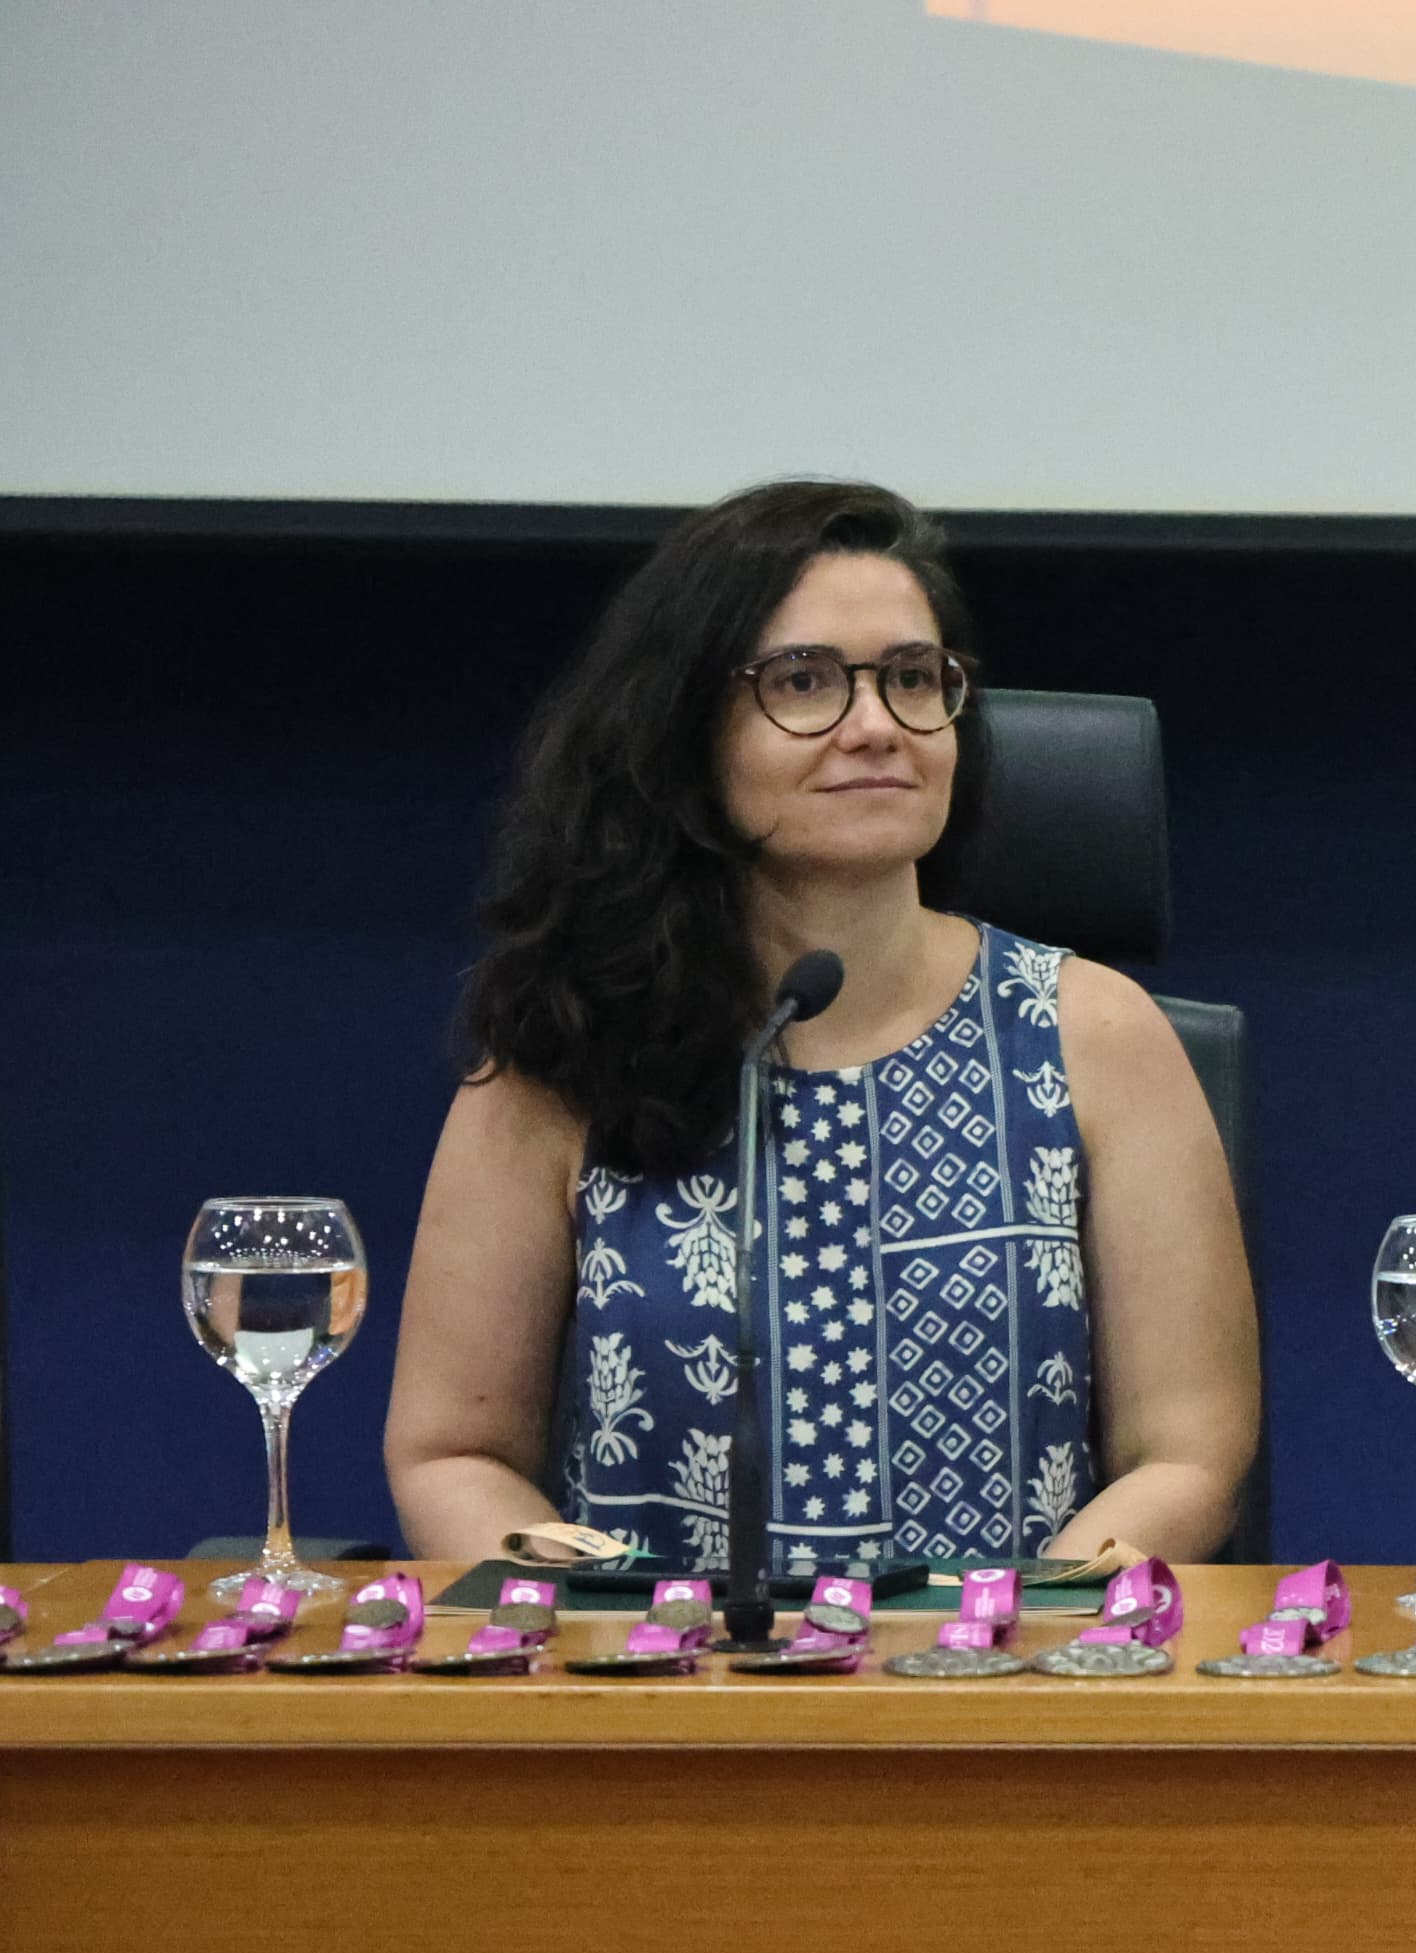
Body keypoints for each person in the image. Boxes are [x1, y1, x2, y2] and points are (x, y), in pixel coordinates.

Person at [383, 480, 1257, 1569]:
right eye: (804, 682)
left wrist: (1006, 1638)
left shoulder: (1095, 1034)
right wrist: (601, 1620)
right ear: (684, 727)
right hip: (652, 1698)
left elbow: (1186, 1452)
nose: (877, 727)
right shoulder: (569, 1046)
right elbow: (453, 1452)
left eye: (911, 679)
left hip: (997, 1692)